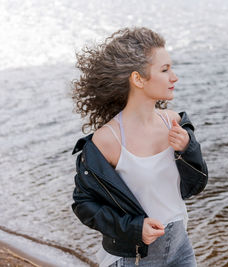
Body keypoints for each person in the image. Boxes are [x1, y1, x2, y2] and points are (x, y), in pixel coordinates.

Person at [70, 27, 208, 267]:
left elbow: (196, 185)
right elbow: (84, 205)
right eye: (165, 70)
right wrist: (134, 228)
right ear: (137, 79)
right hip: (132, 258)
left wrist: (188, 149)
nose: (174, 77)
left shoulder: (174, 122)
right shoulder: (107, 141)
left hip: (180, 246)